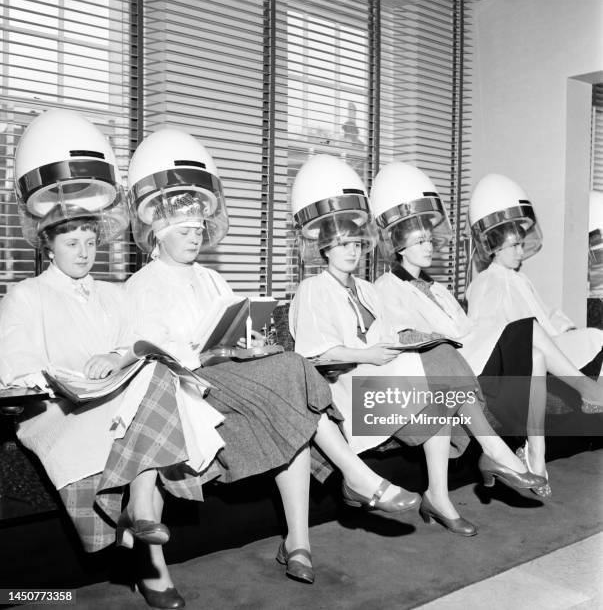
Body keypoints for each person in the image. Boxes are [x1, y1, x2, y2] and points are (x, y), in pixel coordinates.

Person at [125, 130, 420, 589]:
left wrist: (251, 343)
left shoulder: (211, 279)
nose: (195, 238)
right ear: (156, 234)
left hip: (228, 379)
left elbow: (234, 329)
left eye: (200, 230)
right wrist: (206, 350)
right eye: (184, 231)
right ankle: (356, 474)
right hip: (184, 388)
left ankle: (299, 542)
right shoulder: (142, 285)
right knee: (294, 372)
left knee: (292, 394)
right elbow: (148, 351)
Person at [0, 110, 226, 609]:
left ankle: (141, 519)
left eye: (89, 241)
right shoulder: (25, 296)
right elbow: (16, 373)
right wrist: (70, 378)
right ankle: (148, 558)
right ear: (47, 244)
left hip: (117, 394)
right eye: (71, 242)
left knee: (158, 375)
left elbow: (135, 345)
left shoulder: (114, 294)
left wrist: (120, 357)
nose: (83, 251)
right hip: (57, 408)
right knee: (152, 402)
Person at [288, 155, 545, 537]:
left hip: (383, 377)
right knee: (438, 364)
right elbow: (314, 355)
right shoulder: (312, 290)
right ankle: (497, 455)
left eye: (357, 243)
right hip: (352, 396)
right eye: (342, 244)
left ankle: (440, 494)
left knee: (438, 370)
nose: (352, 251)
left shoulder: (366, 290)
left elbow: (389, 337)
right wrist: (367, 355)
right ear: (323, 248)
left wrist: (402, 345)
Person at [370, 162, 603, 499]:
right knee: (527, 330)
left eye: (429, 239)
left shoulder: (437, 289)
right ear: (398, 247)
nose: (429, 246)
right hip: (451, 366)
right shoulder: (386, 286)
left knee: (536, 349)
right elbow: (402, 336)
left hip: (470, 353)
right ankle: (586, 390)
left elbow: (467, 326)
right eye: (420, 241)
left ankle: (535, 455)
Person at [466, 175, 603, 412]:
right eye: (515, 246)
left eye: (522, 244)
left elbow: (545, 313)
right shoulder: (485, 282)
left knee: (595, 336)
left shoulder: (520, 279)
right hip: (520, 356)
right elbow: (482, 332)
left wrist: (565, 328)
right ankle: (587, 390)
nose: (521, 251)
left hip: (549, 345)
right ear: (496, 247)